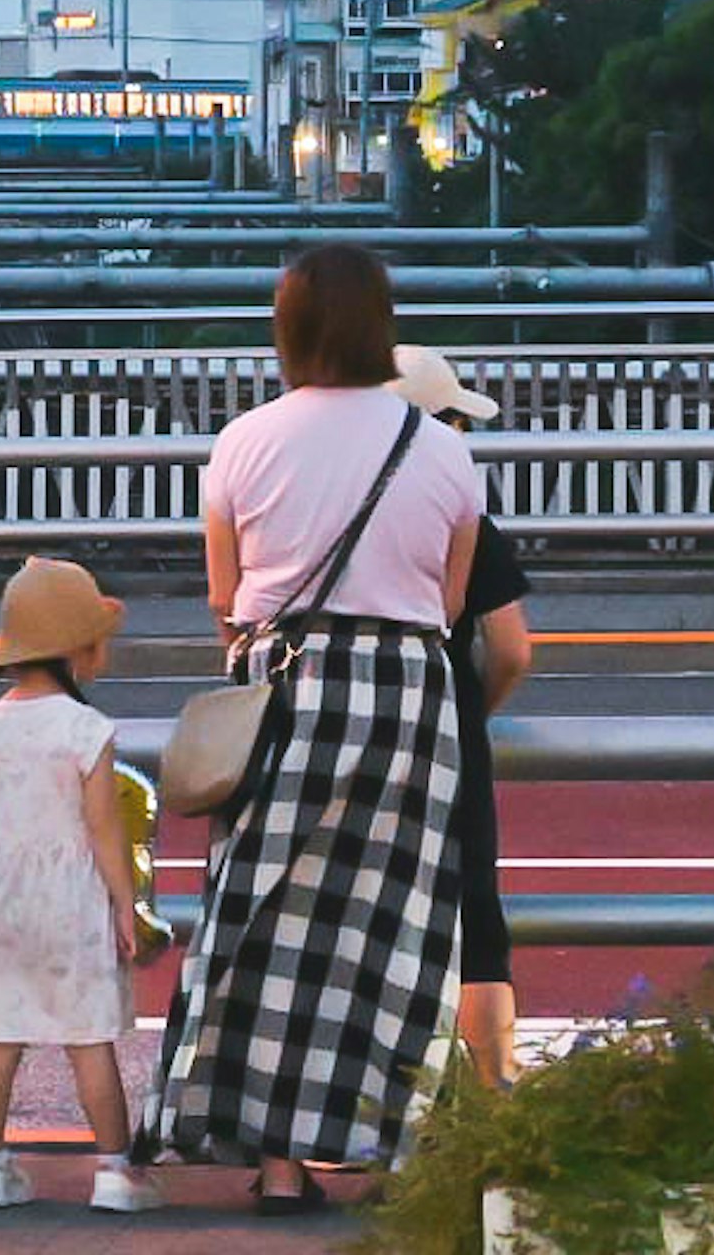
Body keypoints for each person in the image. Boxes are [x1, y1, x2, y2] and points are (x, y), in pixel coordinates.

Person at [152, 247, 481, 1214]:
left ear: (287, 326)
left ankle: (277, 1163)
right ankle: (386, 1140)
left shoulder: (246, 440)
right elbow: (450, 601)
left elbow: (224, 594)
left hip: (284, 678)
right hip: (409, 689)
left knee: (264, 919)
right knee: (392, 921)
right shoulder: (441, 446)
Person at [0, 557, 156, 1217]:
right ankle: (114, 1173)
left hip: (3, 894)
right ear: (77, 648)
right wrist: (128, 907)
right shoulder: (87, 729)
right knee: (89, 1039)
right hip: (72, 898)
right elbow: (103, 830)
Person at [395, 344, 532, 1089]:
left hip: (351, 712)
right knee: (475, 914)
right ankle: (492, 1088)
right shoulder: (460, 515)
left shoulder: (332, 496)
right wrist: (472, 708)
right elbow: (511, 648)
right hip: (444, 713)